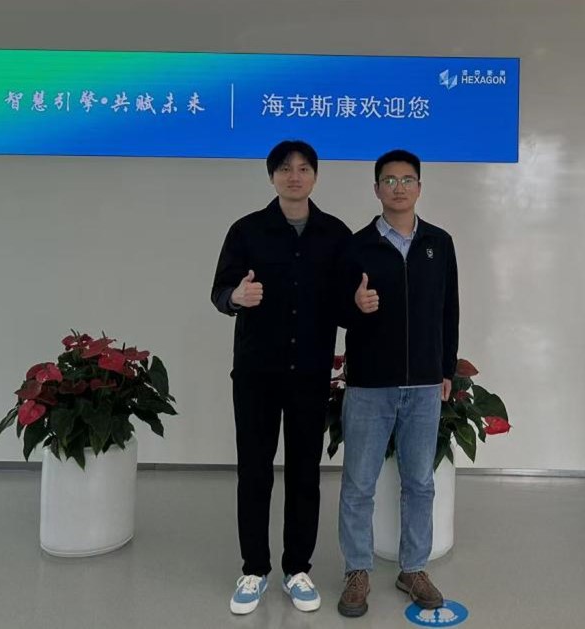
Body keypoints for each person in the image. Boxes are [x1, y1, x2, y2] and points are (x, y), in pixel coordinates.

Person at [209, 140, 351, 615]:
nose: (295, 176)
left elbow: (346, 303)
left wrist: (359, 305)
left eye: (304, 168)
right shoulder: (247, 230)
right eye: (286, 169)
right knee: (254, 471)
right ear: (271, 176)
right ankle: (254, 569)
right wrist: (236, 297)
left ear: (315, 176)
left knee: (304, 473)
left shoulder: (335, 234)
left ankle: (297, 569)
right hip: (257, 373)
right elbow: (219, 290)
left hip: (310, 372)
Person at [335, 149, 460, 617]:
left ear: (420, 187)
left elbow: (449, 310)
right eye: (389, 180)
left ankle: (413, 568)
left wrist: (445, 369)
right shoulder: (357, 246)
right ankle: (357, 570)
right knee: (359, 483)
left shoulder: (439, 243)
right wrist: (354, 307)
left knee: (420, 482)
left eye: (407, 179)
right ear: (376, 189)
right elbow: (335, 309)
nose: (399, 187)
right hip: (370, 384)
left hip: (424, 384)